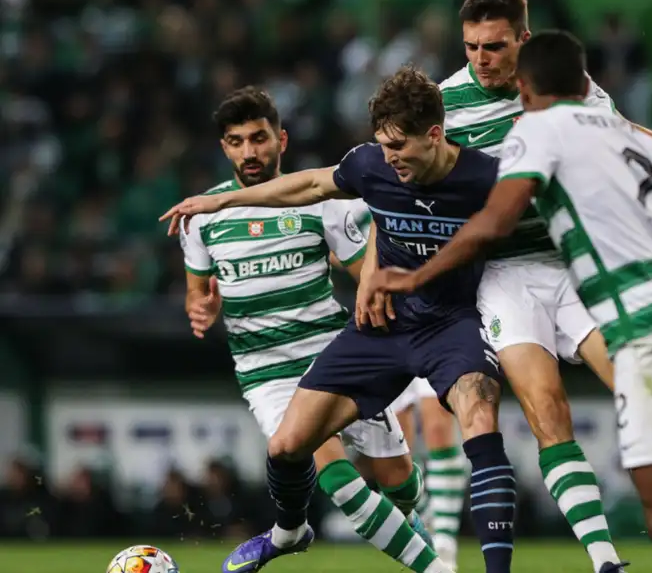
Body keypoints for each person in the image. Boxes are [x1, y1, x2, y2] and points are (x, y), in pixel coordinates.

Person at [369, 29, 652, 573]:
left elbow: (493, 222)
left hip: (641, 318)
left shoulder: (537, 134)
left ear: (529, 89)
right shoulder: (635, 144)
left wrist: (416, 277)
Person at [161, 68, 517, 573]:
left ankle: (397, 521)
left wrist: (373, 275)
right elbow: (201, 289)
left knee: (402, 478)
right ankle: (406, 560)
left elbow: (366, 247)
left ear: (278, 139)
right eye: (236, 142)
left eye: (258, 138)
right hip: (275, 367)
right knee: (309, 459)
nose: (249, 152)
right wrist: (203, 300)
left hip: (373, 335)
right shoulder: (205, 220)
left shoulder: (473, 179)